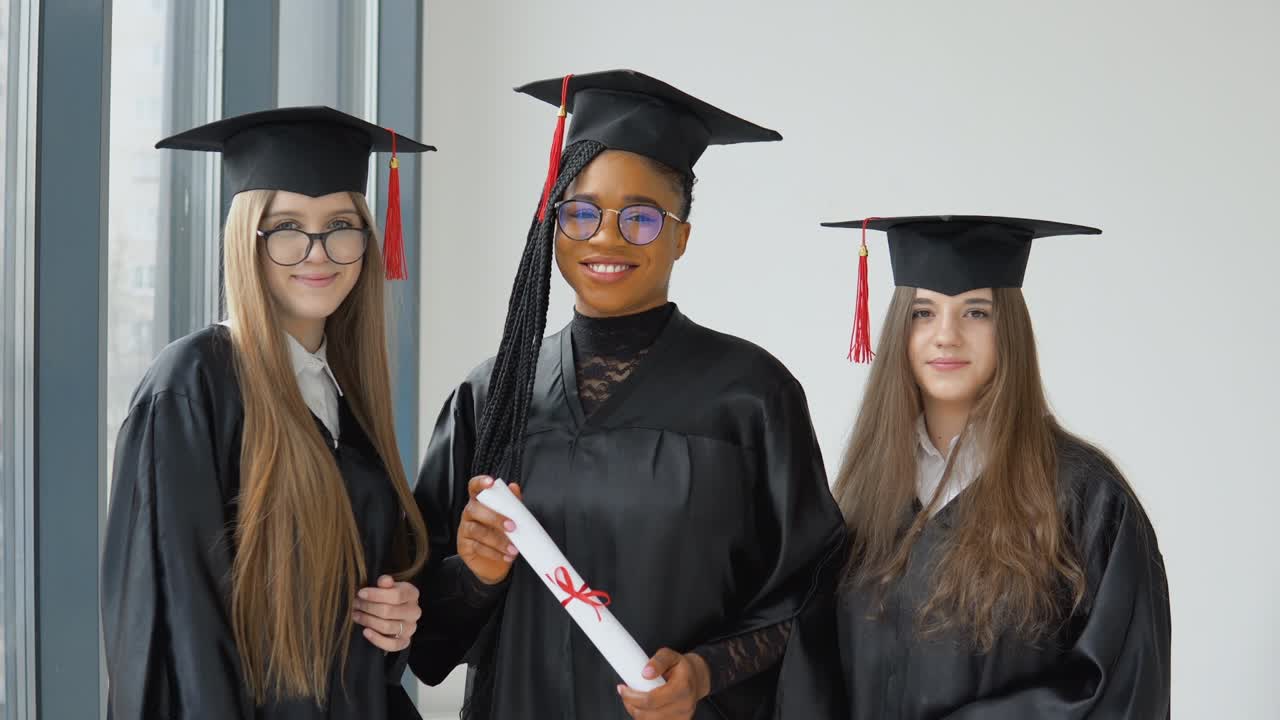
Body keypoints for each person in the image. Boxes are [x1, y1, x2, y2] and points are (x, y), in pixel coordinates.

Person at [408, 70, 845, 720]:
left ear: (682, 237)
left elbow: (814, 595)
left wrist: (702, 673)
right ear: (553, 226)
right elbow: (423, 639)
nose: (606, 237)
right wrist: (473, 576)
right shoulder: (491, 396)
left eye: (640, 217)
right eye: (580, 212)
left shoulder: (752, 396)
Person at [102, 107, 435, 719]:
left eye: (341, 223)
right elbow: (179, 628)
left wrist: (394, 620)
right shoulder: (194, 384)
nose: (318, 251)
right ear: (246, 239)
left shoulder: (344, 396)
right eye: (286, 226)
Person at [775, 215, 1172, 718]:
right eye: (923, 312)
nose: (946, 335)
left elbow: (1122, 687)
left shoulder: (1087, 497)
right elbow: (814, 672)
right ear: (900, 327)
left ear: (1010, 329)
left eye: (976, 313)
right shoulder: (865, 495)